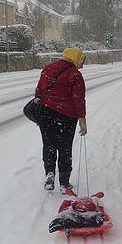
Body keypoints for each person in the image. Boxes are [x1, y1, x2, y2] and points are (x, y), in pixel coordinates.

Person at [33, 47, 87, 192]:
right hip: (66, 117)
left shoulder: (48, 68)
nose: (82, 65)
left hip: (46, 114)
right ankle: (64, 183)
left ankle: (49, 174)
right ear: (75, 58)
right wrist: (82, 121)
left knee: (49, 145)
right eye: (81, 61)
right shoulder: (75, 74)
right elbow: (78, 99)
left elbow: (38, 91)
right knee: (64, 149)